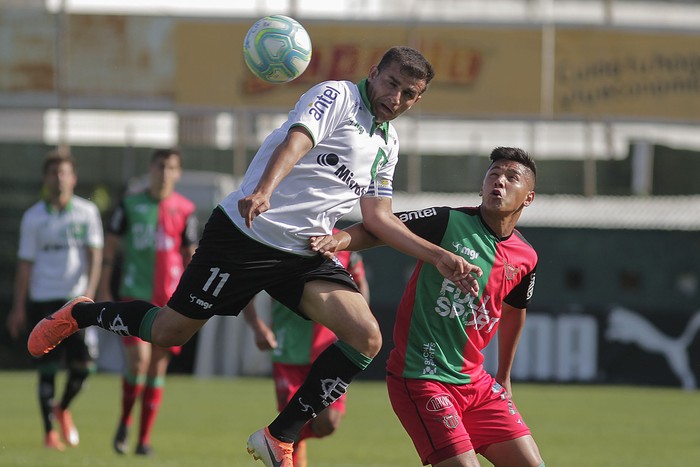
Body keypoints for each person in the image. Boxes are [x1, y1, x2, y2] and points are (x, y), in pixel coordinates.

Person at [27, 46, 482, 467]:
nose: (396, 97)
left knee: (366, 337)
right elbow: (298, 140)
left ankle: (278, 435)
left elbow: (379, 219)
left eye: (409, 94)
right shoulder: (338, 95)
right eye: (391, 83)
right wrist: (264, 189)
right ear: (373, 74)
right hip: (245, 234)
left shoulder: (389, 144)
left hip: (303, 253)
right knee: (168, 332)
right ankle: (83, 313)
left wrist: (437, 255)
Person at [311, 147, 545, 466]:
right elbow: (381, 227)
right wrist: (338, 241)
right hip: (424, 376)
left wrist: (504, 374)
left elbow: (515, 312)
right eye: (493, 174)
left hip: (477, 382)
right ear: (482, 185)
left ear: (528, 198)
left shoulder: (526, 257)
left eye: (511, 177)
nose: (499, 181)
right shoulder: (448, 221)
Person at [96, 148, 198, 456]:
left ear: (178, 173)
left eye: (171, 167)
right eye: (160, 166)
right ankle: (125, 421)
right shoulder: (129, 205)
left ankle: (143, 440)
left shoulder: (185, 209)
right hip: (133, 295)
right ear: (150, 169)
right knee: (138, 362)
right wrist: (104, 288)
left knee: (156, 369)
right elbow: (110, 249)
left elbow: (190, 256)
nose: (165, 173)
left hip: (171, 302)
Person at [7, 151, 103, 451]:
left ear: (73, 178)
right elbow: (25, 264)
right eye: (53, 173)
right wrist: (18, 306)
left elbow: (95, 255)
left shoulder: (87, 212)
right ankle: (49, 432)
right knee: (46, 367)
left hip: (74, 302)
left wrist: (89, 293)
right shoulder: (33, 217)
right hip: (43, 299)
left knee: (84, 367)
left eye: (64, 173)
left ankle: (62, 407)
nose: (58, 178)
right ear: (45, 179)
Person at [245, 241, 370, 467]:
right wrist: (257, 327)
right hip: (288, 348)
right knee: (290, 420)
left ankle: (292, 440)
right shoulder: (283, 239)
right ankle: (286, 445)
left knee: (329, 422)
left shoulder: (344, 243)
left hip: (329, 347)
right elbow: (247, 284)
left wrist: (360, 327)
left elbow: (360, 284)